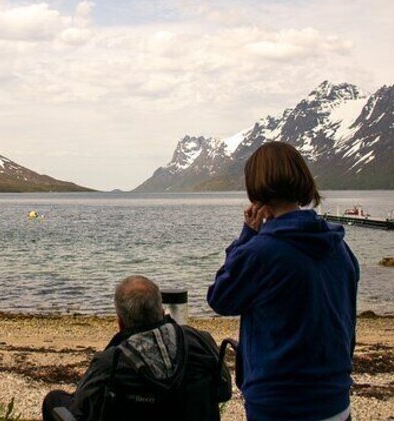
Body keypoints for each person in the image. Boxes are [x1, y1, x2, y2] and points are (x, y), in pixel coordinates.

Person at [208, 141, 359, 421]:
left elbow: (220, 298)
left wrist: (247, 236)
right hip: (335, 398)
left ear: (256, 188)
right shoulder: (339, 246)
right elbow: (348, 315)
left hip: (279, 402)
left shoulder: (261, 251)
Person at [42, 275, 231, 421]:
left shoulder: (111, 364)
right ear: (161, 311)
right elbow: (223, 391)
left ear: (120, 323)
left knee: (54, 401)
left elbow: (81, 409)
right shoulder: (200, 342)